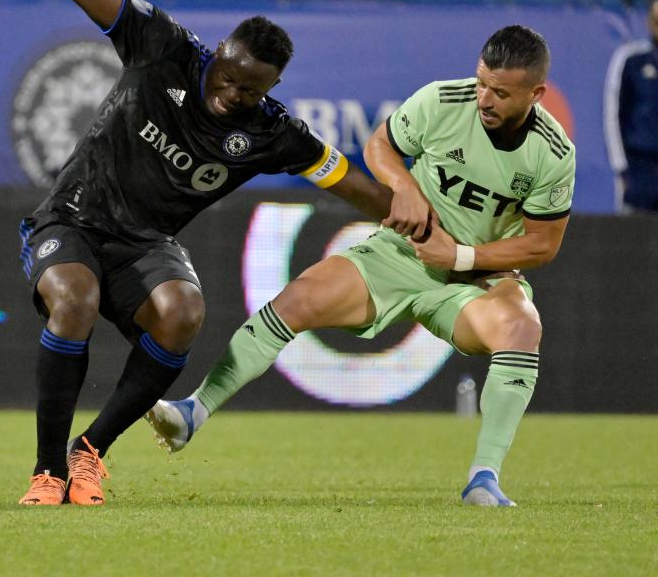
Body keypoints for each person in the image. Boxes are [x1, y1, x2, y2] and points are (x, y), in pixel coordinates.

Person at [17, 0, 393, 506]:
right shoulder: (162, 44)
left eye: (249, 91)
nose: (229, 96)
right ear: (218, 50)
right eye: (227, 76)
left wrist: (409, 214)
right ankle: (47, 471)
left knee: (183, 311)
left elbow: (344, 179)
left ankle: (90, 455)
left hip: (144, 243)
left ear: (271, 88)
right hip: (72, 219)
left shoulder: (272, 131)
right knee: (75, 298)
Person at [149, 26, 576, 507]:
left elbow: (542, 245)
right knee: (299, 298)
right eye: (482, 83)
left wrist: (461, 257)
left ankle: (484, 478)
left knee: (521, 327)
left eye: (500, 92)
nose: (485, 98)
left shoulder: (552, 153)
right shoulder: (442, 100)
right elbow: (380, 146)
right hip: (400, 254)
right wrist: (405, 186)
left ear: (535, 94)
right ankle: (193, 412)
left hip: (473, 279)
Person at [604, 0, 658, 212]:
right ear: (649, 22)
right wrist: (621, 167)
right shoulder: (633, 60)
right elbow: (615, 115)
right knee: (635, 232)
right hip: (640, 164)